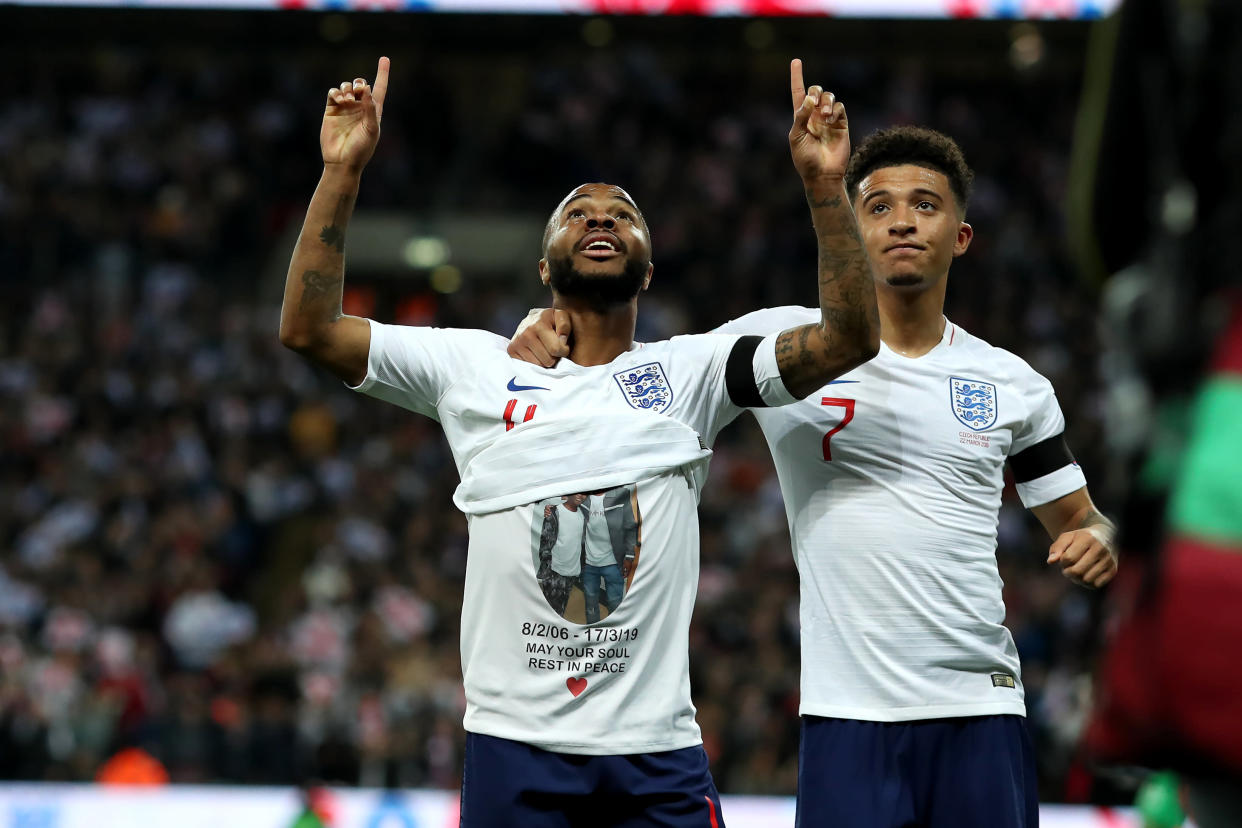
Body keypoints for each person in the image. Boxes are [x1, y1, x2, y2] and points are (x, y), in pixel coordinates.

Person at [278, 56, 878, 827]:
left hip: (657, 751)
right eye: (579, 214)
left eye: (622, 214)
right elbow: (306, 329)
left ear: (649, 270)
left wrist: (826, 186)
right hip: (514, 746)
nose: (600, 220)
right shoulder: (471, 365)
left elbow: (850, 339)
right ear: (542, 266)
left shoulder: (692, 371)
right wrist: (342, 171)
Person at [510, 125, 1119, 827]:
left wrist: (1100, 537)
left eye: (924, 204)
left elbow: (1082, 519)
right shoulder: (783, 342)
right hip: (846, 717)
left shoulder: (1014, 383)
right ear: (850, 229)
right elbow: (645, 369)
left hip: (980, 710)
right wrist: (554, 317)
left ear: (960, 236)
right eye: (878, 206)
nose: (900, 221)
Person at [536, 494, 588, 616]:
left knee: (561, 609)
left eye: (585, 493)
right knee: (549, 610)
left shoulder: (584, 514)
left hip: (572, 572)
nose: (581, 495)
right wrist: (547, 570)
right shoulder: (554, 513)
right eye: (577, 491)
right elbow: (545, 544)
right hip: (554, 572)